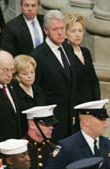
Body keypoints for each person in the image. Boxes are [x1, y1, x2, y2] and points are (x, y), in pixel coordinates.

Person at [42, 99, 110, 169]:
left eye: (105, 119)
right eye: (101, 119)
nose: (105, 123)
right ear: (86, 121)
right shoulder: (67, 147)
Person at [30, 9, 77, 141]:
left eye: (62, 28)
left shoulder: (67, 48)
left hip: (71, 118)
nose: (60, 32)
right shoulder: (37, 55)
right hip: (53, 121)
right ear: (46, 31)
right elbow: (37, 90)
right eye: (55, 29)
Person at [64, 13, 100, 106]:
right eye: (73, 31)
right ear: (65, 34)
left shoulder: (85, 52)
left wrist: (97, 103)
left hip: (92, 103)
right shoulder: (64, 54)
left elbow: (94, 80)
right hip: (76, 105)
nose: (77, 34)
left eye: (80, 31)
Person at [22, 105, 57, 169]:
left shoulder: (53, 148)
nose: (51, 127)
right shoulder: (20, 150)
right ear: (32, 125)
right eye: (46, 124)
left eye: (51, 124)